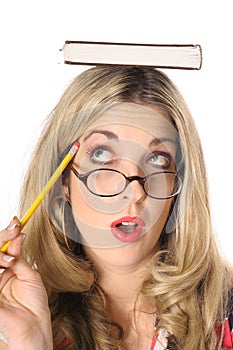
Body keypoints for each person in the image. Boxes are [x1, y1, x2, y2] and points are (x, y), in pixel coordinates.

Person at [0, 66, 232, 350]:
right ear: (63, 181)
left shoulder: (225, 315)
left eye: (158, 159)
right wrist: (32, 343)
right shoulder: (20, 322)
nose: (135, 193)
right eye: (102, 155)